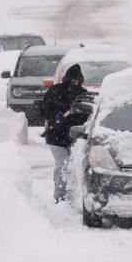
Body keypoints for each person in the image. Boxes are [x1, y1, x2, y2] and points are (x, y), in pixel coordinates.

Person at [40, 64, 89, 203]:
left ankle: (71, 196)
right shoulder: (55, 91)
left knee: (73, 166)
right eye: (73, 80)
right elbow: (43, 111)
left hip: (75, 137)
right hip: (55, 136)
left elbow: (86, 115)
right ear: (67, 79)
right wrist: (55, 116)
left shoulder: (83, 95)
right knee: (62, 164)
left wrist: (74, 118)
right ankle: (60, 195)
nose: (75, 84)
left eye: (78, 81)